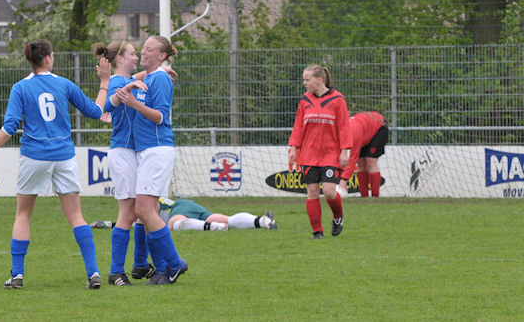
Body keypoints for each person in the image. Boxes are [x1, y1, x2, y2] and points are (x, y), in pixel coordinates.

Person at [0, 39, 111, 289]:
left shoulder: (20, 88)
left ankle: (17, 276)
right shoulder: (64, 84)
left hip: (34, 155)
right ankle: (93, 274)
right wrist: (104, 82)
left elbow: (9, 127)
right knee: (77, 216)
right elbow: (95, 110)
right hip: (63, 156)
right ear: (47, 58)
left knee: (23, 214)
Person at [93, 40, 177, 286]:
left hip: (136, 151)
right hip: (124, 150)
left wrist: (158, 72)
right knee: (130, 212)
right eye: (131, 53)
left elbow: (140, 79)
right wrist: (115, 84)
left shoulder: (134, 80)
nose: (136, 54)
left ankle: (141, 265)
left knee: (142, 212)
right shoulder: (119, 83)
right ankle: (117, 271)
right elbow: (107, 105)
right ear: (120, 58)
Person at [115, 35, 187, 285]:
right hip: (148, 151)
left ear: (163, 55)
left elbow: (159, 117)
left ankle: (174, 264)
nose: (143, 52)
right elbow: (131, 80)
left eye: (149, 49)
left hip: (157, 149)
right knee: (147, 210)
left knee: (144, 209)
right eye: (143, 48)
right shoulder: (154, 76)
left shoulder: (161, 79)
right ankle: (162, 268)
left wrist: (133, 104)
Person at [288, 64, 352, 239]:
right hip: (309, 155)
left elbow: (344, 128)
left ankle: (338, 216)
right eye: (304, 80)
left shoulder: (338, 99)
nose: (304, 83)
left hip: (330, 154)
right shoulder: (305, 101)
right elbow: (298, 126)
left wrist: (344, 150)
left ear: (319, 80)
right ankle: (317, 232)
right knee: (312, 192)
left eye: (307, 80)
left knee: (330, 191)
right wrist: (294, 147)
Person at [338, 111, 388, 197]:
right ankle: (364, 197)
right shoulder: (339, 133)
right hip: (365, 132)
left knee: (370, 161)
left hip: (379, 126)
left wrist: (344, 179)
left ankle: (375, 196)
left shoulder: (354, 133)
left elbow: (353, 158)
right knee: (360, 163)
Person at [159, 197, 278, 231]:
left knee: (173, 224)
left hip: (177, 207)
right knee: (228, 220)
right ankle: (261, 221)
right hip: (188, 204)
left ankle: (216, 227)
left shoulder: (141, 199)